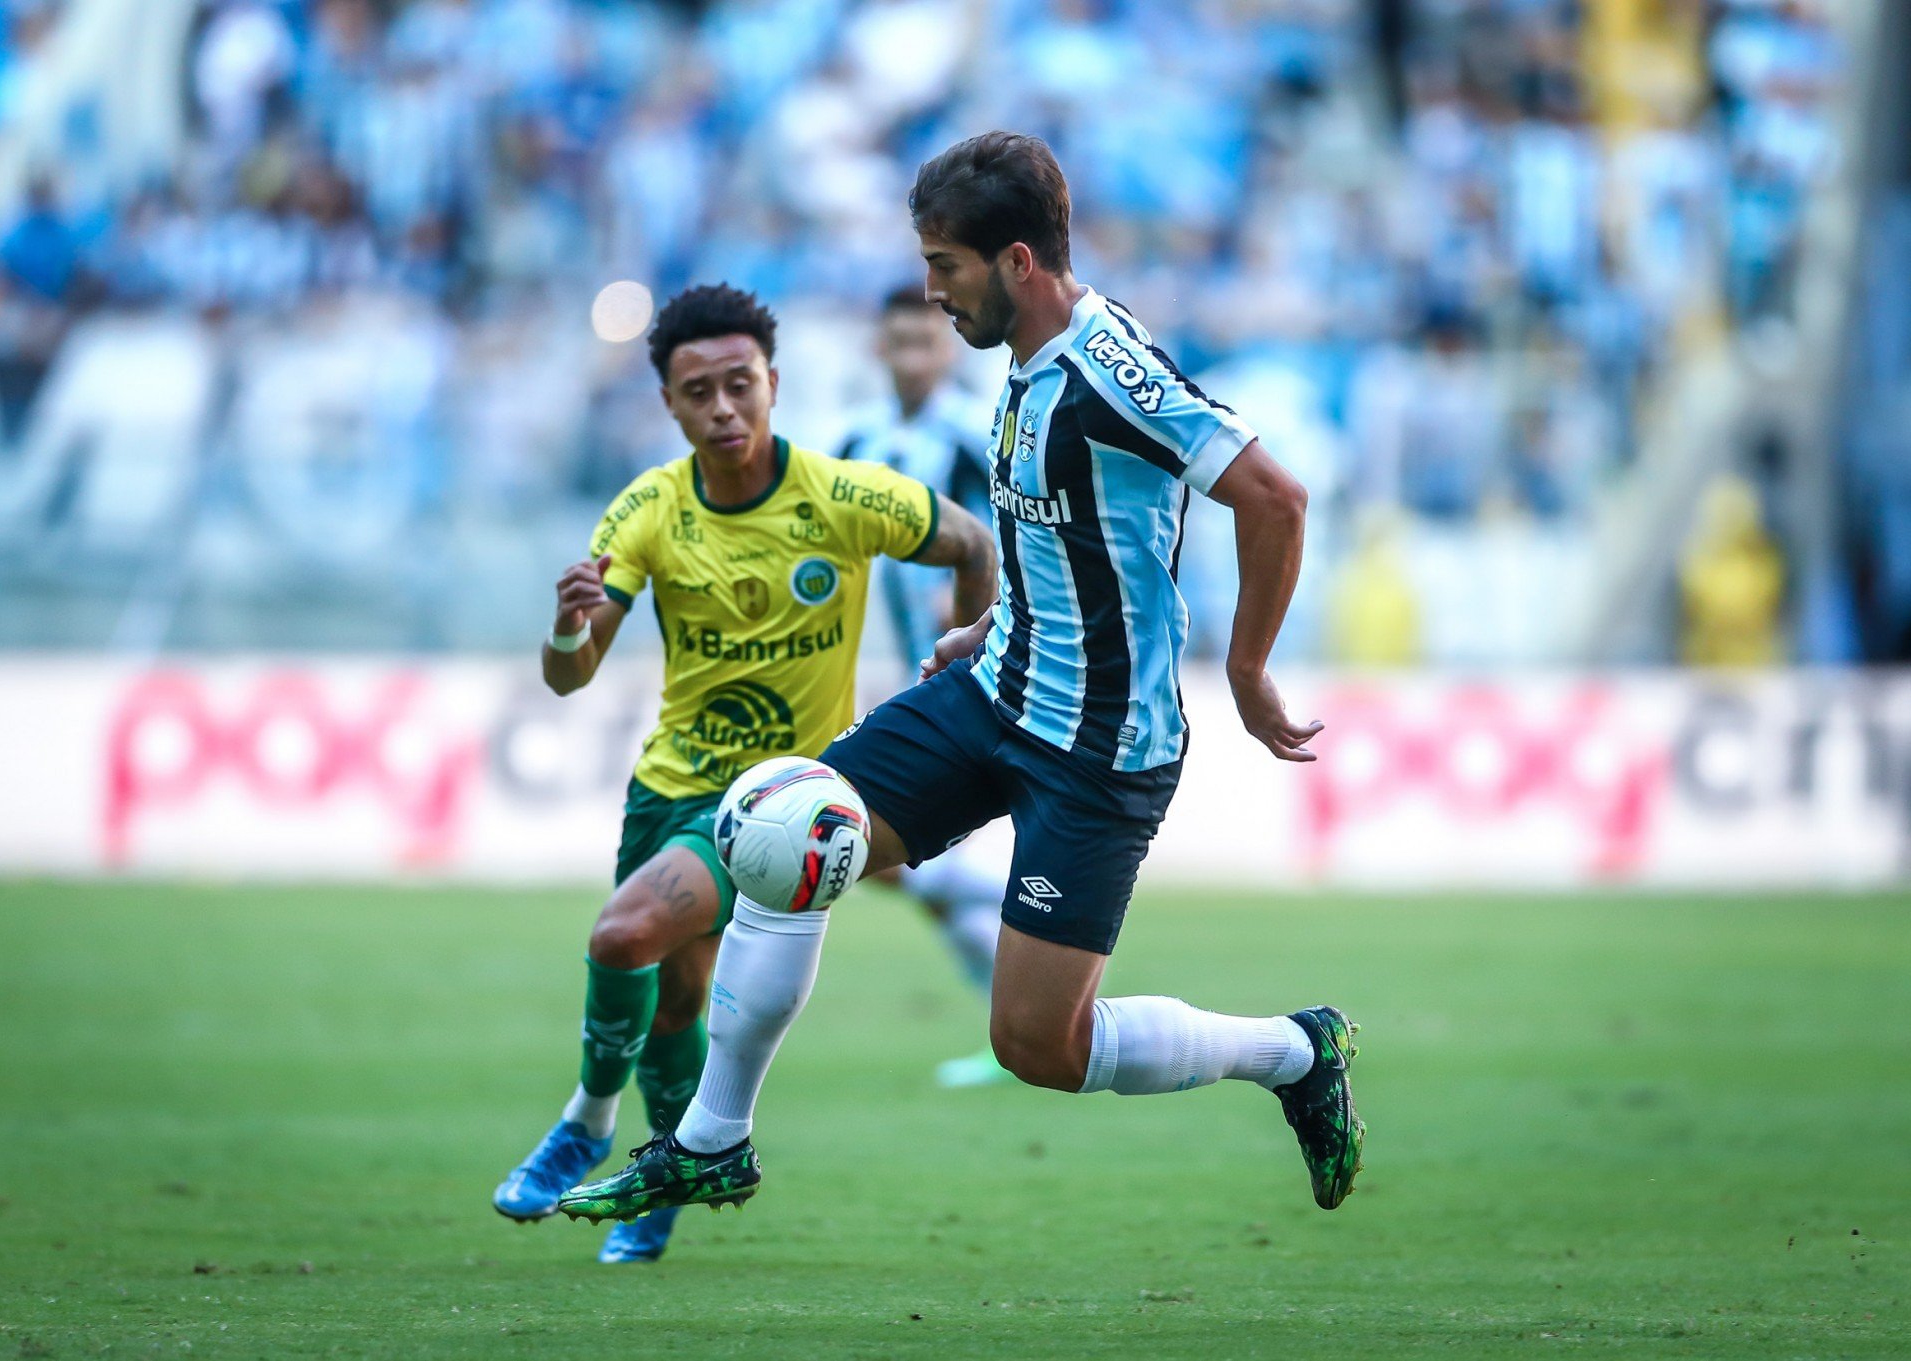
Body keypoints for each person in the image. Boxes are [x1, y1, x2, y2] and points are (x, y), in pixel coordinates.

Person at [557, 133, 1361, 1227]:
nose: (932, 292)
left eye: (946, 266)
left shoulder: (1106, 370)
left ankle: (1290, 1051)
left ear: (1018, 262)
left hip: (1100, 744)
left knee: (1038, 1044)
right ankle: (712, 1139)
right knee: (786, 826)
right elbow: (1072, 531)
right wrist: (991, 622)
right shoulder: (1027, 364)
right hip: (996, 688)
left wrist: (1250, 667)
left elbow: (1275, 496)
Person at [491, 283, 995, 1263]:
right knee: (676, 1003)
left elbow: (973, 544)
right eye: (698, 393)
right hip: (669, 788)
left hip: (776, 805)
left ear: (774, 383)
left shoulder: (845, 495)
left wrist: (958, 648)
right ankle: (667, 1186)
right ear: (671, 405)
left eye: (740, 384)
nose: (723, 408)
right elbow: (569, 675)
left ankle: (587, 1122)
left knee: (621, 932)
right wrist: (565, 624)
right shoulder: (649, 506)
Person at [834, 284, 1012, 1089]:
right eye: (898, 342)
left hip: (987, 671)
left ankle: (1040, 921)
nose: (911, 358)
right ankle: (1014, 1014)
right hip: (912, 672)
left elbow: (1021, 535)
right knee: (903, 868)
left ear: (948, 350)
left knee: (883, 853)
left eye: (925, 343)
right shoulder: (858, 441)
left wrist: (979, 600)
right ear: (879, 348)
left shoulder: (975, 435)